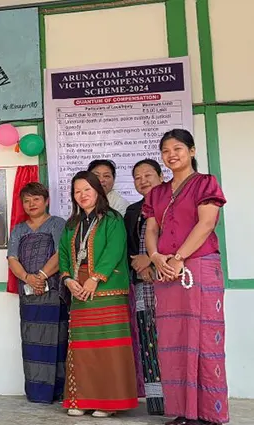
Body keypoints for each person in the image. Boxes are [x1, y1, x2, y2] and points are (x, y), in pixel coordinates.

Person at [144, 129, 229, 425]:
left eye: (178, 148)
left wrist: (178, 258)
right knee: (173, 340)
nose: (171, 155)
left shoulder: (205, 183)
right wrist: (156, 257)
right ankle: (184, 412)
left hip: (199, 266)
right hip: (166, 271)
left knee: (203, 338)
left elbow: (206, 224)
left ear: (191, 151)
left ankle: (208, 414)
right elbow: (151, 229)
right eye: (166, 150)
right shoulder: (157, 193)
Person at [58, 171, 137, 418]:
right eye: (77, 191)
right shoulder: (71, 224)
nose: (82, 195)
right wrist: (68, 280)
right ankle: (82, 399)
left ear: (98, 191)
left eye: (87, 190)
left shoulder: (112, 219)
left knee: (108, 349)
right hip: (79, 291)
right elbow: (63, 254)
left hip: (107, 289)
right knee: (82, 348)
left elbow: (115, 250)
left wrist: (95, 278)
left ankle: (109, 403)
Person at [6, 182, 68, 404]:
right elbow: (12, 258)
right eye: (27, 200)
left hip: (53, 294)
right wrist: (28, 278)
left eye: (36, 199)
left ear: (46, 201)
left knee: (56, 341)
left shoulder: (57, 224)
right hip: (29, 294)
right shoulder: (18, 230)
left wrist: (40, 276)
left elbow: (61, 254)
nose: (31, 204)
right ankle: (36, 392)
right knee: (32, 341)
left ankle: (57, 391)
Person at [123, 159, 165, 416]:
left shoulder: (173, 203)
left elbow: (177, 236)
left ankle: (179, 399)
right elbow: (128, 246)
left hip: (169, 278)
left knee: (170, 337)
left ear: (161, 176)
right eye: (137, 177)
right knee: (148, 338)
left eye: (148, 175)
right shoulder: (132, 211)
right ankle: (157, 402)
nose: (143, 181)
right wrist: (140, 266)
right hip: (142, 282)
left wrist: (151, 258)